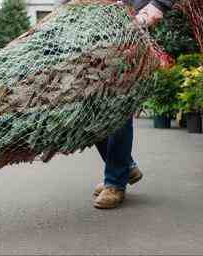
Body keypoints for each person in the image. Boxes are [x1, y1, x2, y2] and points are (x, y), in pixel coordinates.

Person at [56, 0, 175, 209]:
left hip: (131, 23)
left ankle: (115, 183)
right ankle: (125, 167)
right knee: (91, 108)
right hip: (91, 27)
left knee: (119, 103)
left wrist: (159, 4)